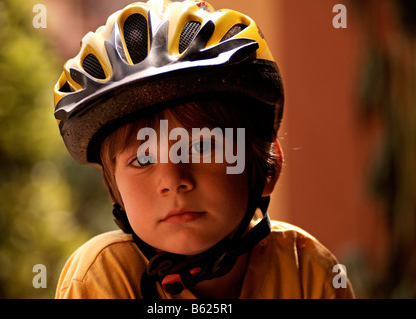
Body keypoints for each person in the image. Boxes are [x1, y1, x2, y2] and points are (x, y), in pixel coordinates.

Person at [53, 0, 355, 299]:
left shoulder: (307, 273)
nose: (173, 180)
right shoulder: (102, 278)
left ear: (266, 167)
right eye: (143, 158)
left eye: (202, 146)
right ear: (113, 189)